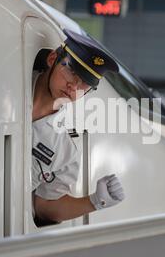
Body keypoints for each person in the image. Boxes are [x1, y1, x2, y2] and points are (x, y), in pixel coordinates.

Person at [32, 29, 125, 227]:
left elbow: (44, 205)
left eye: (85, 84)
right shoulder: (3, 85)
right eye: (71, 72)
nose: (73, 87)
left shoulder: (67, 147)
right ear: (52, 58)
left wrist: (94, 201)